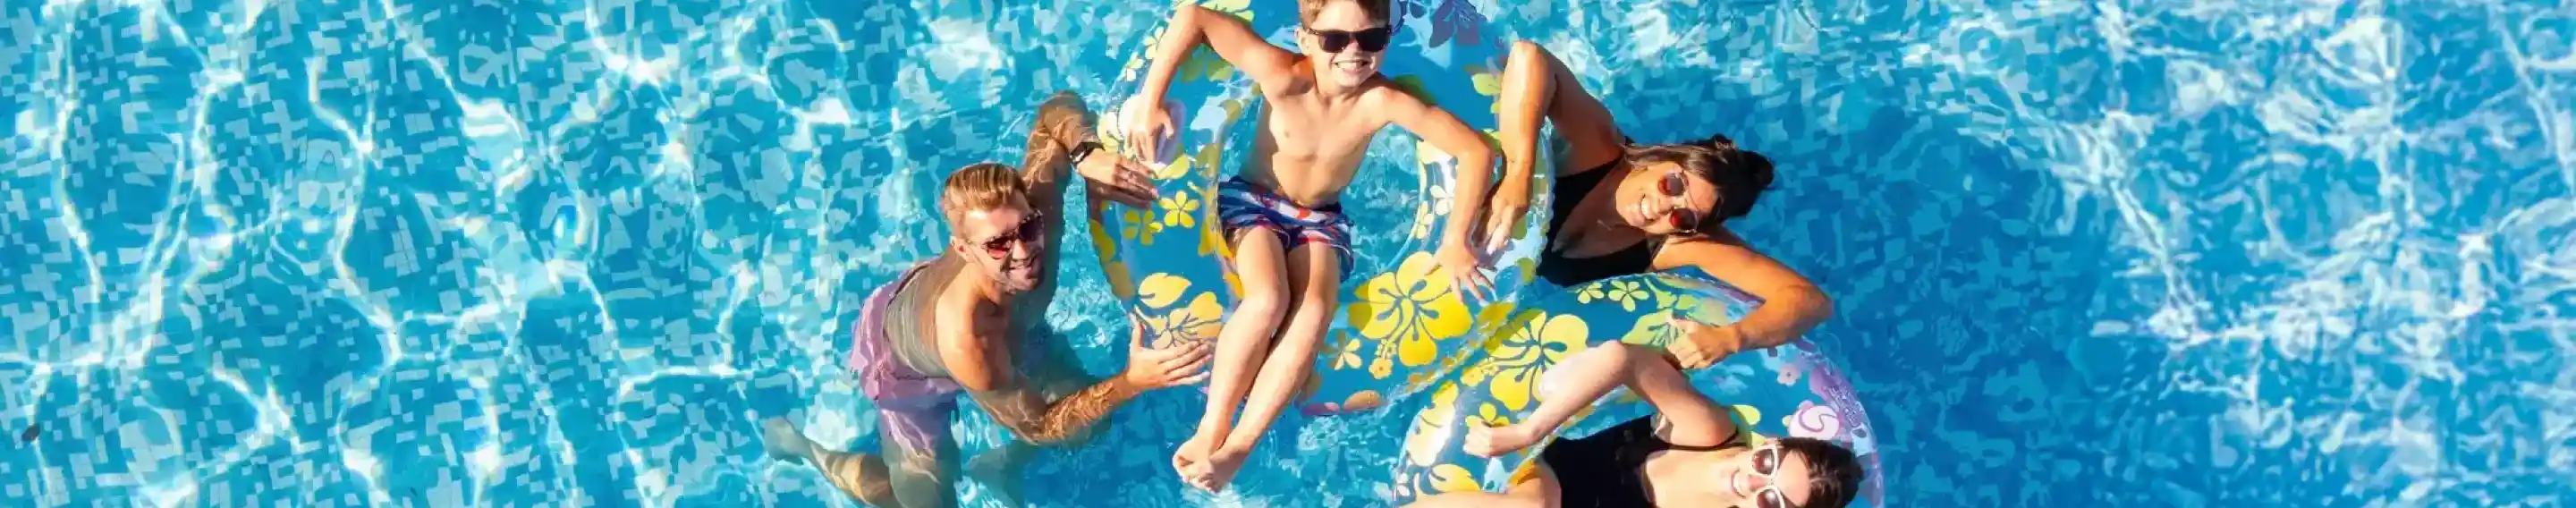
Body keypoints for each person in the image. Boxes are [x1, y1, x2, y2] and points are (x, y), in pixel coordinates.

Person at [1122, 0, 1505, 492]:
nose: (1353, 52)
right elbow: (1193, 17)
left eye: (1370, 39)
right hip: (1253, 201)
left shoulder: (1382, 101)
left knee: (1317, 307)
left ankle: (1240, 447)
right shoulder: (1282, 75)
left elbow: (1475, 151)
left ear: (1387, 40)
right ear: (1305, 38)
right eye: (1334, 39)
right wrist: (1153, 99)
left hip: (1322, 219)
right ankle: (1211, 429)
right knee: (1268, 299)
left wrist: (1455, 239)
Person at [761, 91, 1214, 508]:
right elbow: (1037, 427)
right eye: (998, 244)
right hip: (905, 366)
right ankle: (803, 446)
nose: (1023, 252)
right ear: (963, 249)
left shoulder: (1035, 208)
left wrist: (1086, 156)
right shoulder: (969, 337)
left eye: (1028, 229)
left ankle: (999, 466)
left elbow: (1056, 109)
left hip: (1008, 331)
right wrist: (1132, 380)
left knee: (1092, 424)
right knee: (923, 500)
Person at [1482, 41, 1835, 370]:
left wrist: (1731, 338)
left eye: (1683, 216)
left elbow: (1809, 300)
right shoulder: (1598, 148)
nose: (1662, 208)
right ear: (1662, 158)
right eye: (1673, 184)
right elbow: (1529, 55)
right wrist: (1520, 171)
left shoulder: (1677, 244)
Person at [1408, 342, 1866, 508]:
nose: (1750, 480)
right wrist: (1529, 431)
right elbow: (1621, 359)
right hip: (1541, 475)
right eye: (1767, 462)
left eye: (1770, 501)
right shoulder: (1707, 433)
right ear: (1772, 442)